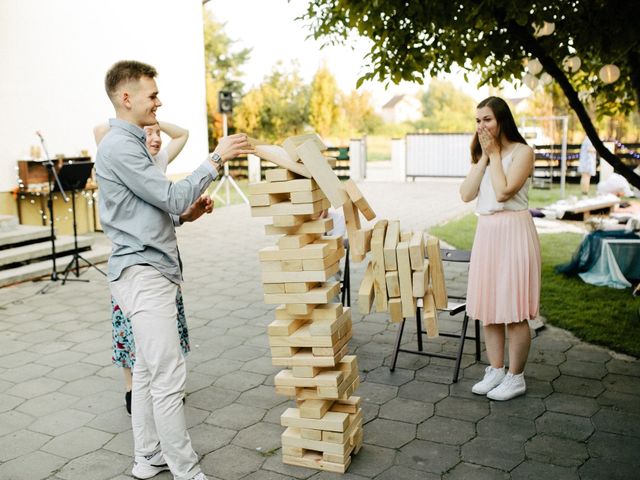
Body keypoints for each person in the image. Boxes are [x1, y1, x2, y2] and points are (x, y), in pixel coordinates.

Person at [96, 60, 253, 480]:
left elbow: (143, 208)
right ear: (126, 98)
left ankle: (147, 458)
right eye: (152, 94)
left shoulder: (128, 143)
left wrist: (185, 218)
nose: (158, 102)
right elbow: (167, 194)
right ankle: (187, 472)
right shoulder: (120, 146)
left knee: (147, 374)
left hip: (143, 270)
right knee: (168, 378)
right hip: (144, 274)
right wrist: (215, 158)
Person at [94, 121, 211, 416]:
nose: (156, 138)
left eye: (159, 132)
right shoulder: (120, 154)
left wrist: (185, 216)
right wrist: (137, 119)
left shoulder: (156, 162)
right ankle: (134, 391)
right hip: (136, 266)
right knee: (132, 332)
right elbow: (100, 129)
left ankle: (158, 394)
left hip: (161, 262)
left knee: (163, 334)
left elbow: (157, 214)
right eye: (149, 133)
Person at [459, 96, 541, 401]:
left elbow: (505, 191)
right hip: (488, 233)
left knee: (514, 309)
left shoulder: (523, 152)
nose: (481, 126)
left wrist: (494, 155)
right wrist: (483, 158)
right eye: (478, 120)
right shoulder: (483, 155)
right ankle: (495, 369)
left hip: (514, 231)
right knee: (489, 308)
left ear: (502, 120)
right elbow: (466, 194)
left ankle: (515, 377)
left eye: (487, 119)